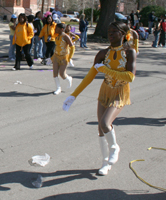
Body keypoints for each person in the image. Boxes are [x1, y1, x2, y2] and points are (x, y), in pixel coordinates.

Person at [63, 21, 136, 176]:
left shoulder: (130, 52)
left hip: (120, 92)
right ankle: (105, 163)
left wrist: (106, 70)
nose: (110, 34)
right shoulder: (103, 54)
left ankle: (115, 147)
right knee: (100, 129)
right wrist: (73, 95)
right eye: (109, 31)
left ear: (122, 34)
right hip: (105, 91)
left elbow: (130, 77)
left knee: (105, 123)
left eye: (114, 32)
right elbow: (90, 77)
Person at [50, 23, 75, 95]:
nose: (55, 29)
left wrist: (70, 58)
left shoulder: (66, 36)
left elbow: (72, 47)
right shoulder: (57, 36)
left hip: (64, 57)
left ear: (61, 29)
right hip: (56, 56)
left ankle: (69, 78)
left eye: (57, 28)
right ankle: (58, 88)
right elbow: (57, 48)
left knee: (62, 74)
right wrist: (51, 58)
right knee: (55, 73)